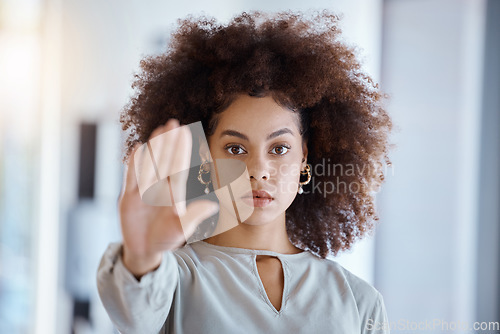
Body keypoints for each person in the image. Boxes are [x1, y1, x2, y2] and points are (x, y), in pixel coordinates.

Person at [97, 10, 393, 334]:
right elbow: (134, 312)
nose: (259, 170)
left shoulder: (359, 301)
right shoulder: (169, 280)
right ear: (204, 156)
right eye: (236, 148)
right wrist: (142, 256)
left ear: (305, 156)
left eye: (279, 149)